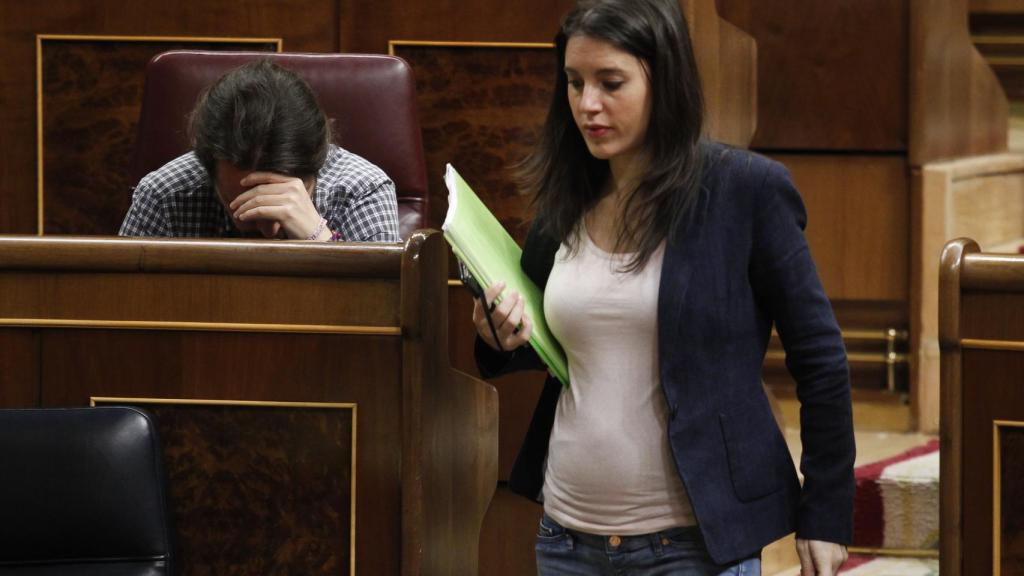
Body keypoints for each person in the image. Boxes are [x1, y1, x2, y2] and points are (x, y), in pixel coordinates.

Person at [470, 1, 854, 574]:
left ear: (664, 80)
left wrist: (825, 513)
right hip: (566, 536)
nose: (587, 104)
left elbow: (820, 358)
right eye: (574, 83)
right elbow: (554, 338)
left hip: (690, 546)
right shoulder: (567, 197)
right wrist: (499, 336)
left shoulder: (744, 191)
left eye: (611, 82)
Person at [119, 59, 400, 242]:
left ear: (320, 163)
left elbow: (388, 318)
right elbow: (120, 313)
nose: (268, 230)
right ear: (209, 174)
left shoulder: (362, 190)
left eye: (279, 194)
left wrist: (319, 239)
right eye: (241, 204)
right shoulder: (164, 195)